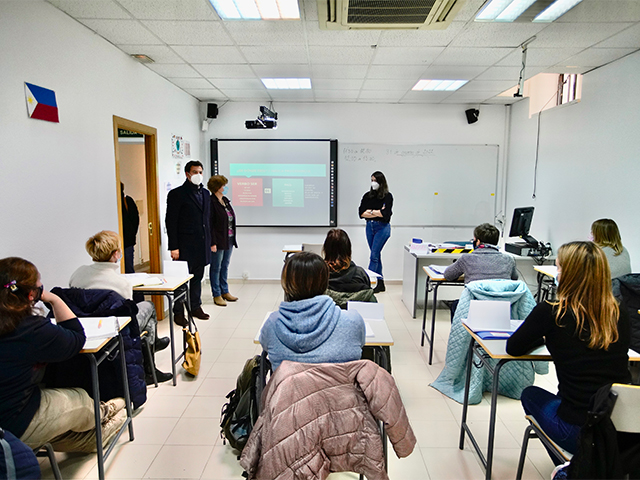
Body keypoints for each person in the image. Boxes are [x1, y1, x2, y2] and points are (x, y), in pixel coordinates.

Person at [506, 241, 631, 461]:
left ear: (571, 275)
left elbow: (513, 347)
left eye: (559, 268)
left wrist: (544, 337)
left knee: (530, 394)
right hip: (620, 429)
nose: (557, 273)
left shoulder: (551, 312)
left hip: (577, 430)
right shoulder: (619, 312)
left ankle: (568, 470)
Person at [0, 257, 126, 453]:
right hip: (12, 422)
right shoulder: (30, 329)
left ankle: (102, 422)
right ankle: (105, 414)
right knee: (79, 399)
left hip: (10, 412)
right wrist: (54, 298)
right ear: (32, 293)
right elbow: (76, 338)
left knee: (69, 437)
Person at [69, 230, 172, 384]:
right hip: (114, 328)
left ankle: (153, 347)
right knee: (149, 306)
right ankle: (150, 365)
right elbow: (128, 313)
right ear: (116, 254)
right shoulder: (121, 284)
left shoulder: (78, 273)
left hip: (85, 325)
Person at [259, 252, 366, 372]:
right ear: (326, 281)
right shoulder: (353, 321)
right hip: (341, 390)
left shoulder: (272, 325)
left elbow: (265, 346)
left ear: (286, 284)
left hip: (289, 390)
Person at [165, 160, 211, 323]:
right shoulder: (177, 194)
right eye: (195, 172)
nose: (198, 175)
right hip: (184, 246)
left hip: (202, 244)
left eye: (200, 171)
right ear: (187, 174)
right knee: (181, 280)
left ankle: (195, 307)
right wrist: (174, 247)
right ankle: (178, 312)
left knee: (197, 277)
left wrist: (210, 242)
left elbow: (207, 219)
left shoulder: (205, 194)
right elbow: (171, 222)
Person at [444, 223, 518, 284]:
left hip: (474, 301)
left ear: (478, 241)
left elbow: (448, 276)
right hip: (502, 301)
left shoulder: (466, 258)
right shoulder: (508, 259)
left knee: (445, 302)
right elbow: (514, 278)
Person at [358, 171, 393, 293]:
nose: (373, 183)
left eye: (375, 180)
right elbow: (361, 213)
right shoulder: (367, 196)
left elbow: (386, 215)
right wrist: (377, 212)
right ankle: (380, 283)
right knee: (376, 255)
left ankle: (368, 283)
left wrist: (370, 212)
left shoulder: (388, 196)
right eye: (372, 180)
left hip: (382, 228)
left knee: (373, 256)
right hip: (369, 227)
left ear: (381, 182)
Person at [207, 175, 238, 307]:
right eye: (223, 185)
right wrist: (212, 242)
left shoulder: (225, 200)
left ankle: (225, 291)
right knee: (216, 267)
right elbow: (210, 224)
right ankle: (217, 294)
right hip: (218, 241)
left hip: (229, 239)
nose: (225, 187)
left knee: (225, 266)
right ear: (217, 187)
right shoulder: (210, 202)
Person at [323, 228, 373, 296]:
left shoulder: (317, 276)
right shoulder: (360, 274)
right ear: (349, 250)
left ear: (326, 250)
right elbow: (367, 296)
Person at [120, 182, 139, 274]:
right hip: (127, 241)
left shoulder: (127, 201)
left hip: (127, 242)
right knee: (128, 269)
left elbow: (135, 220)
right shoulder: (127, 201)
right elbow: (135, 221)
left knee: (128, 270)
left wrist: (131, 235)